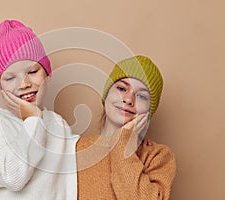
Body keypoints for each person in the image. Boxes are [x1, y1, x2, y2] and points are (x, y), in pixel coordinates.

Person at [0, 20, 78, 200]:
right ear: (0, 87)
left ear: (47, 72)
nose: (24, 84)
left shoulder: (58, 124)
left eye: (33, 71)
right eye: (10, 77)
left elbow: (87, 159)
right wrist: (33, 120)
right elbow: (15, 177)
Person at [75, 55, 176, 199]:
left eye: (141, 96)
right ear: (107, 94)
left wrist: (123, 145)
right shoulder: (77, 149)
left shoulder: (158, 156)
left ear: (149, 111)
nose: (128, 99)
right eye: (122, 88)